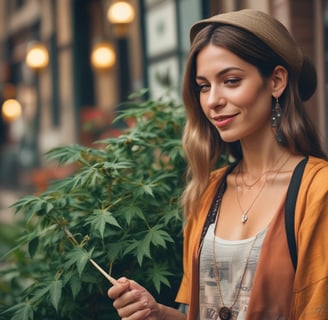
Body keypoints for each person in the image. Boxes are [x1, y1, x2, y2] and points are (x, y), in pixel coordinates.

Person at [108, 9, 328, 320]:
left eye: (231, 80)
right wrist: (155, 312)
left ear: (276, 81)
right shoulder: (209, 189)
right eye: (203, 85)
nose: (212, 100)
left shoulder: (317, 190)